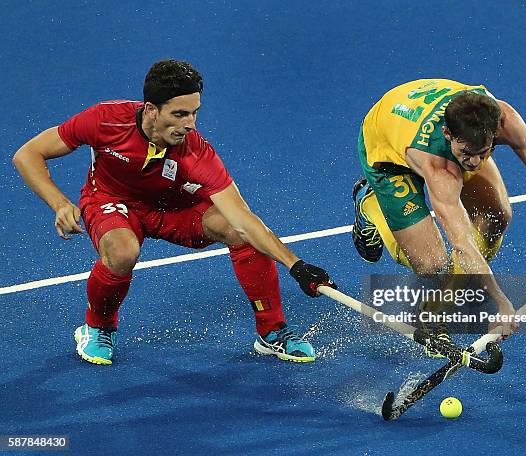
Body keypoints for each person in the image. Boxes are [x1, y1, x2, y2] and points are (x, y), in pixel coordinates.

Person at [13, 59, 335, 365]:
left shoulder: (197, 152)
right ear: (151, 110)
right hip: (112, 201)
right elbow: (28, 155)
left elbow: (244, 219)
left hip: (174, 208)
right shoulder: (104, 120)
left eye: (194, 113)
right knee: (122, 251)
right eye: (180, 114)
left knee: (237, 231)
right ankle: (97, 327)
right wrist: (60, 203)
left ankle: (272, 331)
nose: (189, 124)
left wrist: (296, 266)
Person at [352, 79, 526, 345]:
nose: (473, 163)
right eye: (466, 153)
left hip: (422, 115)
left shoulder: (503, 119)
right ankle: (370, 205)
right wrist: (501, 302)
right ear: (448, 134)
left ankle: (438, 306)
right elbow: (462, 244)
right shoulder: (440, 168)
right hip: (386, 146)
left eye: (483, 153)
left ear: (494, 132)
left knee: (497, 216)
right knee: (430, 264)